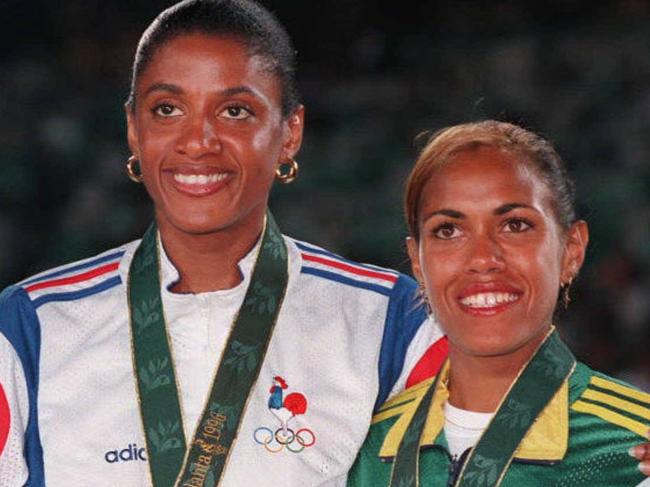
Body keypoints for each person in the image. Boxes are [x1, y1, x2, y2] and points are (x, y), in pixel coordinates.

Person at [0, 1, 443, 485]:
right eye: (167, 109)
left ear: (289, 132)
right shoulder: (31, 326)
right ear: (133, 129)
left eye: (235, 111)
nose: (198, 141)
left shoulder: (390, 322)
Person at [346, 120, 650, 486]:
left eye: (515, 225)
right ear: (417, 263)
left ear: (571, 250)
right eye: (448, 230)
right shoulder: (362, 454)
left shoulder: (631, 447)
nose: (482, 258)